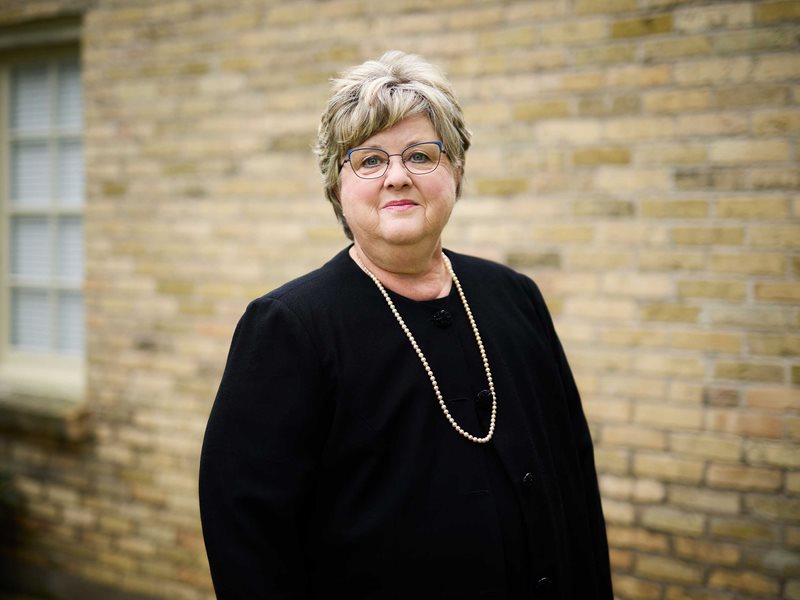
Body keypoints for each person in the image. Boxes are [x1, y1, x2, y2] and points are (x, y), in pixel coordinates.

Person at [199, 50, 612, 599]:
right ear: (337, 188)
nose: (397, 177)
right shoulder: (289, 327)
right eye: (369, 161)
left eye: (421, 155)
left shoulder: (515, 297)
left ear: (455, 172)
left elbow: (574, 477)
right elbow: (247, 537)